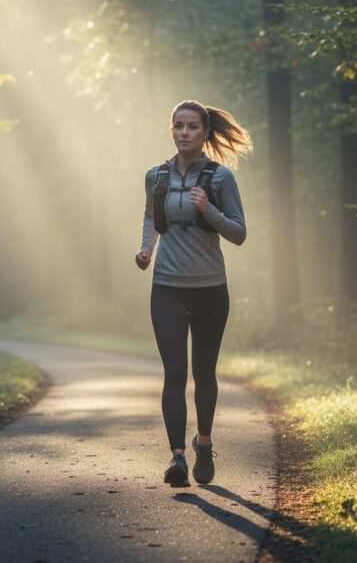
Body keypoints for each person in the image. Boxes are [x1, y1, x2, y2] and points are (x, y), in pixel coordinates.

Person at [135, 100, 252, 487]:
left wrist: (208, 211)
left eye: (192, 127)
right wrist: (146, 249)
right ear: (171, 130)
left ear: (205, 133)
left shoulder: (220, 178)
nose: (184, 132)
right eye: (178, 126)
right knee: (174, 372)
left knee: (204, 373)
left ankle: (203, 442)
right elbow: (151, 216)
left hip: (209, 290)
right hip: (167, 287)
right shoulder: (156, 176)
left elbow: (239, 233)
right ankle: (177, 458)